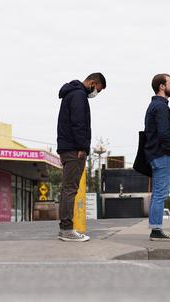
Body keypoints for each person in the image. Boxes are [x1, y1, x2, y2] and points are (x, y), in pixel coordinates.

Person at [56, 72, 106, 242]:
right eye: (97, 89)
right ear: (92, 82)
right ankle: (66, 230)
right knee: (70, 189)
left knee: (67, 189)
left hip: (67, 147)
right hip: (73, 149)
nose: (95, 93)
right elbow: (79, 123)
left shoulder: (71, 93)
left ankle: (65, 228)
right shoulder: (78, 95)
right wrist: (82, 147)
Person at [144, 73, 170, 242]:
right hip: (162, 155)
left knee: (157, 194)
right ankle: (156, 231)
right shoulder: (160, 107)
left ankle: (156, 229)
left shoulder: (155, 105)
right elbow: (164, 132)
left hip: (156, 154)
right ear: (162, 86)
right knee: (160, 194)